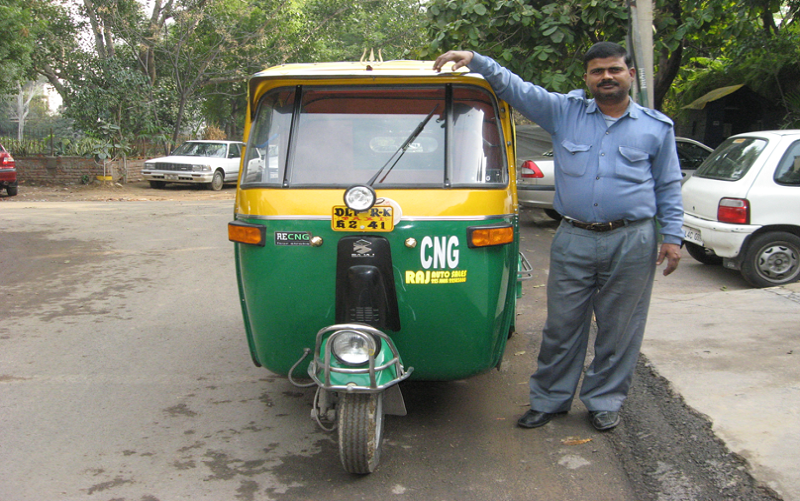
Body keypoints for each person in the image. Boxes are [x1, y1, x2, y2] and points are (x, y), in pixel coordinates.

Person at [433, 43, 683, 432]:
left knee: (620, 328)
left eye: (614, 69)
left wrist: (673, 236)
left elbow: (668, 185)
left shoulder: (656, 127)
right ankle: (550, 400)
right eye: (597, 71)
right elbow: (516, 88)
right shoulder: (564, 113)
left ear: (630, 74)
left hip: (632, 240)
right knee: (562, 326)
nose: (606, 77)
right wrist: (477, 61)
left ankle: (604, 401)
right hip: (574, 237)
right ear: (586, 78)